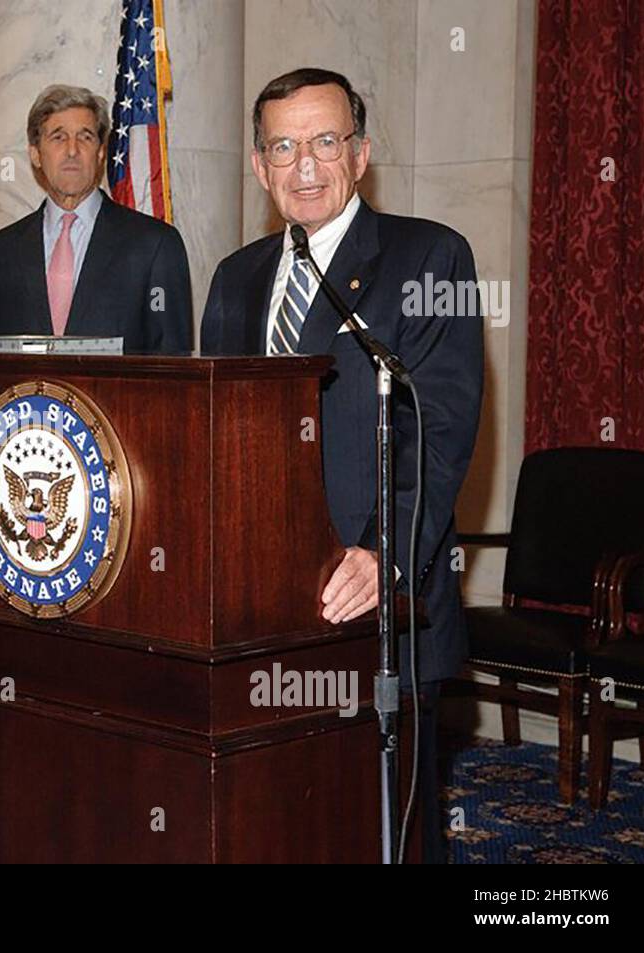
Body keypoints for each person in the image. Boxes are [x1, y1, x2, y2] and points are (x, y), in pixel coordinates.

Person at [200, 68, 484, 863]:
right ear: (259, 167)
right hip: (257, 615)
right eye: (283, 147)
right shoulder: (234, 278)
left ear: (360, 154)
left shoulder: (431, 256)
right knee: (277, 824)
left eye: (325, 141)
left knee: (380, 828)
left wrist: (380, 557)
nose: (305, 166)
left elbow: (441, 429)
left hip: (376, 608)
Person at [0, 84, 192, 354]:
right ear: (36, 154)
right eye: (58, 137)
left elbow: (171, 360)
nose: (72, 150)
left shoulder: (155, 245)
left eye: (85, 137)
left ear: (101, 153)